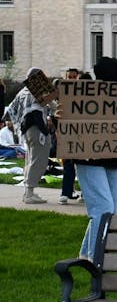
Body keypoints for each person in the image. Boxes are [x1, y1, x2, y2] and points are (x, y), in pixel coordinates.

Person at [74, 57, 117, 260]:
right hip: (89, 159)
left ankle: (85, 255)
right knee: (103, 208)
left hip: (112, 159)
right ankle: (97, 259)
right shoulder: (84, 96)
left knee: (109, 209)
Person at [6, 67, 53, 204]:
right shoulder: (35, 93)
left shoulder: (23, 92)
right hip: (37, 130)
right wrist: (45, 131)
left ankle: (29, 191)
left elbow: (12, 110)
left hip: (27, 131)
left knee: (30, 160)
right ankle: (29, 192)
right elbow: (36, 114)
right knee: (38, 161)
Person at [57, 68, 81, 205]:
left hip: (80, 133)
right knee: (68, 165)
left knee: (83, 166)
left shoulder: (83, 93)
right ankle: (65, 193)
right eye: (69, 76)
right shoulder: (61, 94)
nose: (71, 79)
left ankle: (83, 193)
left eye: (74, 76)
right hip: (66, 133)